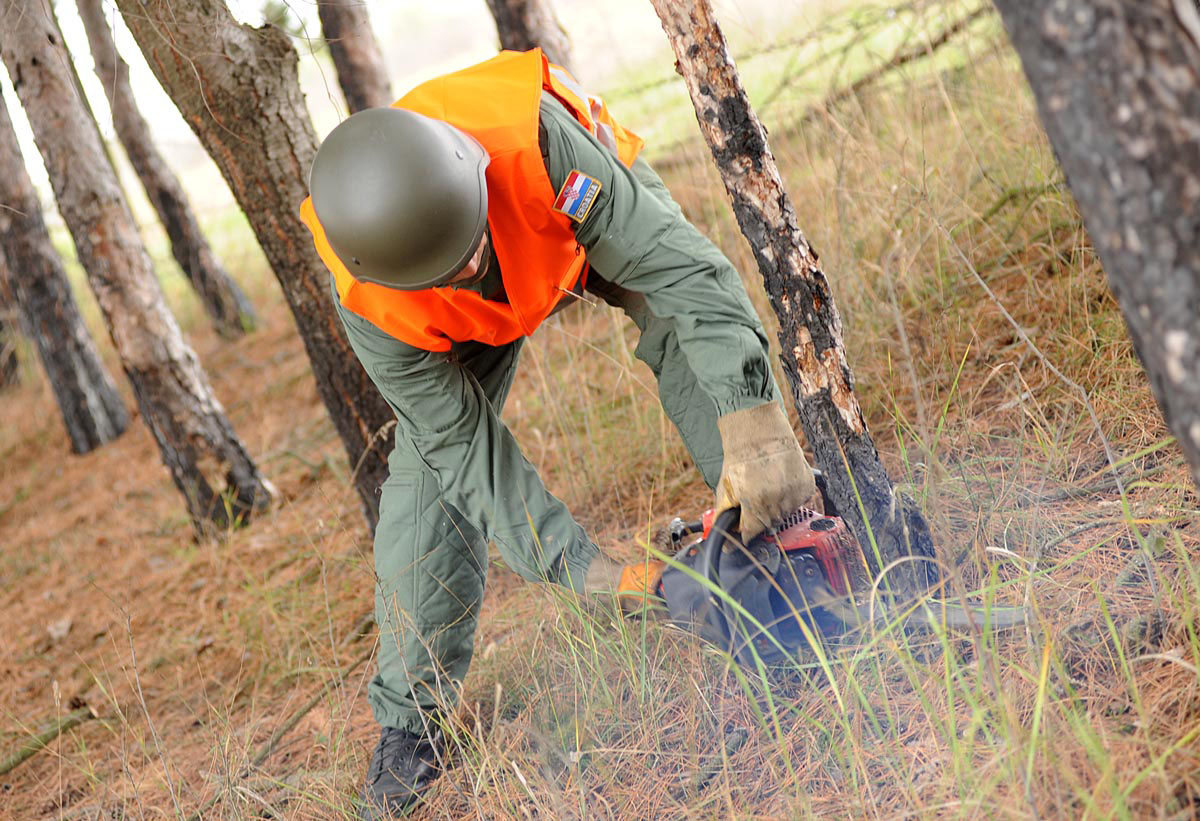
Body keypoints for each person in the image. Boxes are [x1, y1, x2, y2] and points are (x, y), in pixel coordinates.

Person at [300, 48, 816, 819]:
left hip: (568, 217)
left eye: (470, 243)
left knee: (685, 333)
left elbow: (684, 274)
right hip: (461, 327)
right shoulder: (374, 302)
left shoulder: (535, 144)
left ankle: (786, 548)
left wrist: (758, 431)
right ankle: (411, 722)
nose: (473, 261)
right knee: (430, 477)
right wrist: (585, 572)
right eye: (452, 264)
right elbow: (466, 451)